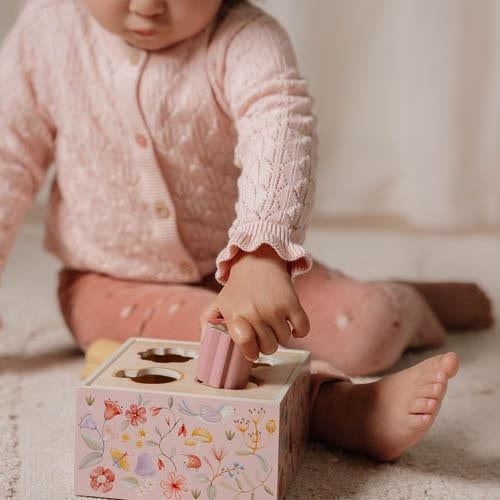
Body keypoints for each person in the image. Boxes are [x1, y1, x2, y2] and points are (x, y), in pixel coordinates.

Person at [0, 0, 492, 461]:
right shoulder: (46, 34)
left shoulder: (245, 40)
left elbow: (279, 134)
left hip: (247, 267)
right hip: (109, 282)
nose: (147, 5)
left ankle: (409, 301)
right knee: (205, 352)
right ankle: (334, 407)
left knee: (365, 331)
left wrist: (261, 255)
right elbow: (8, 161)